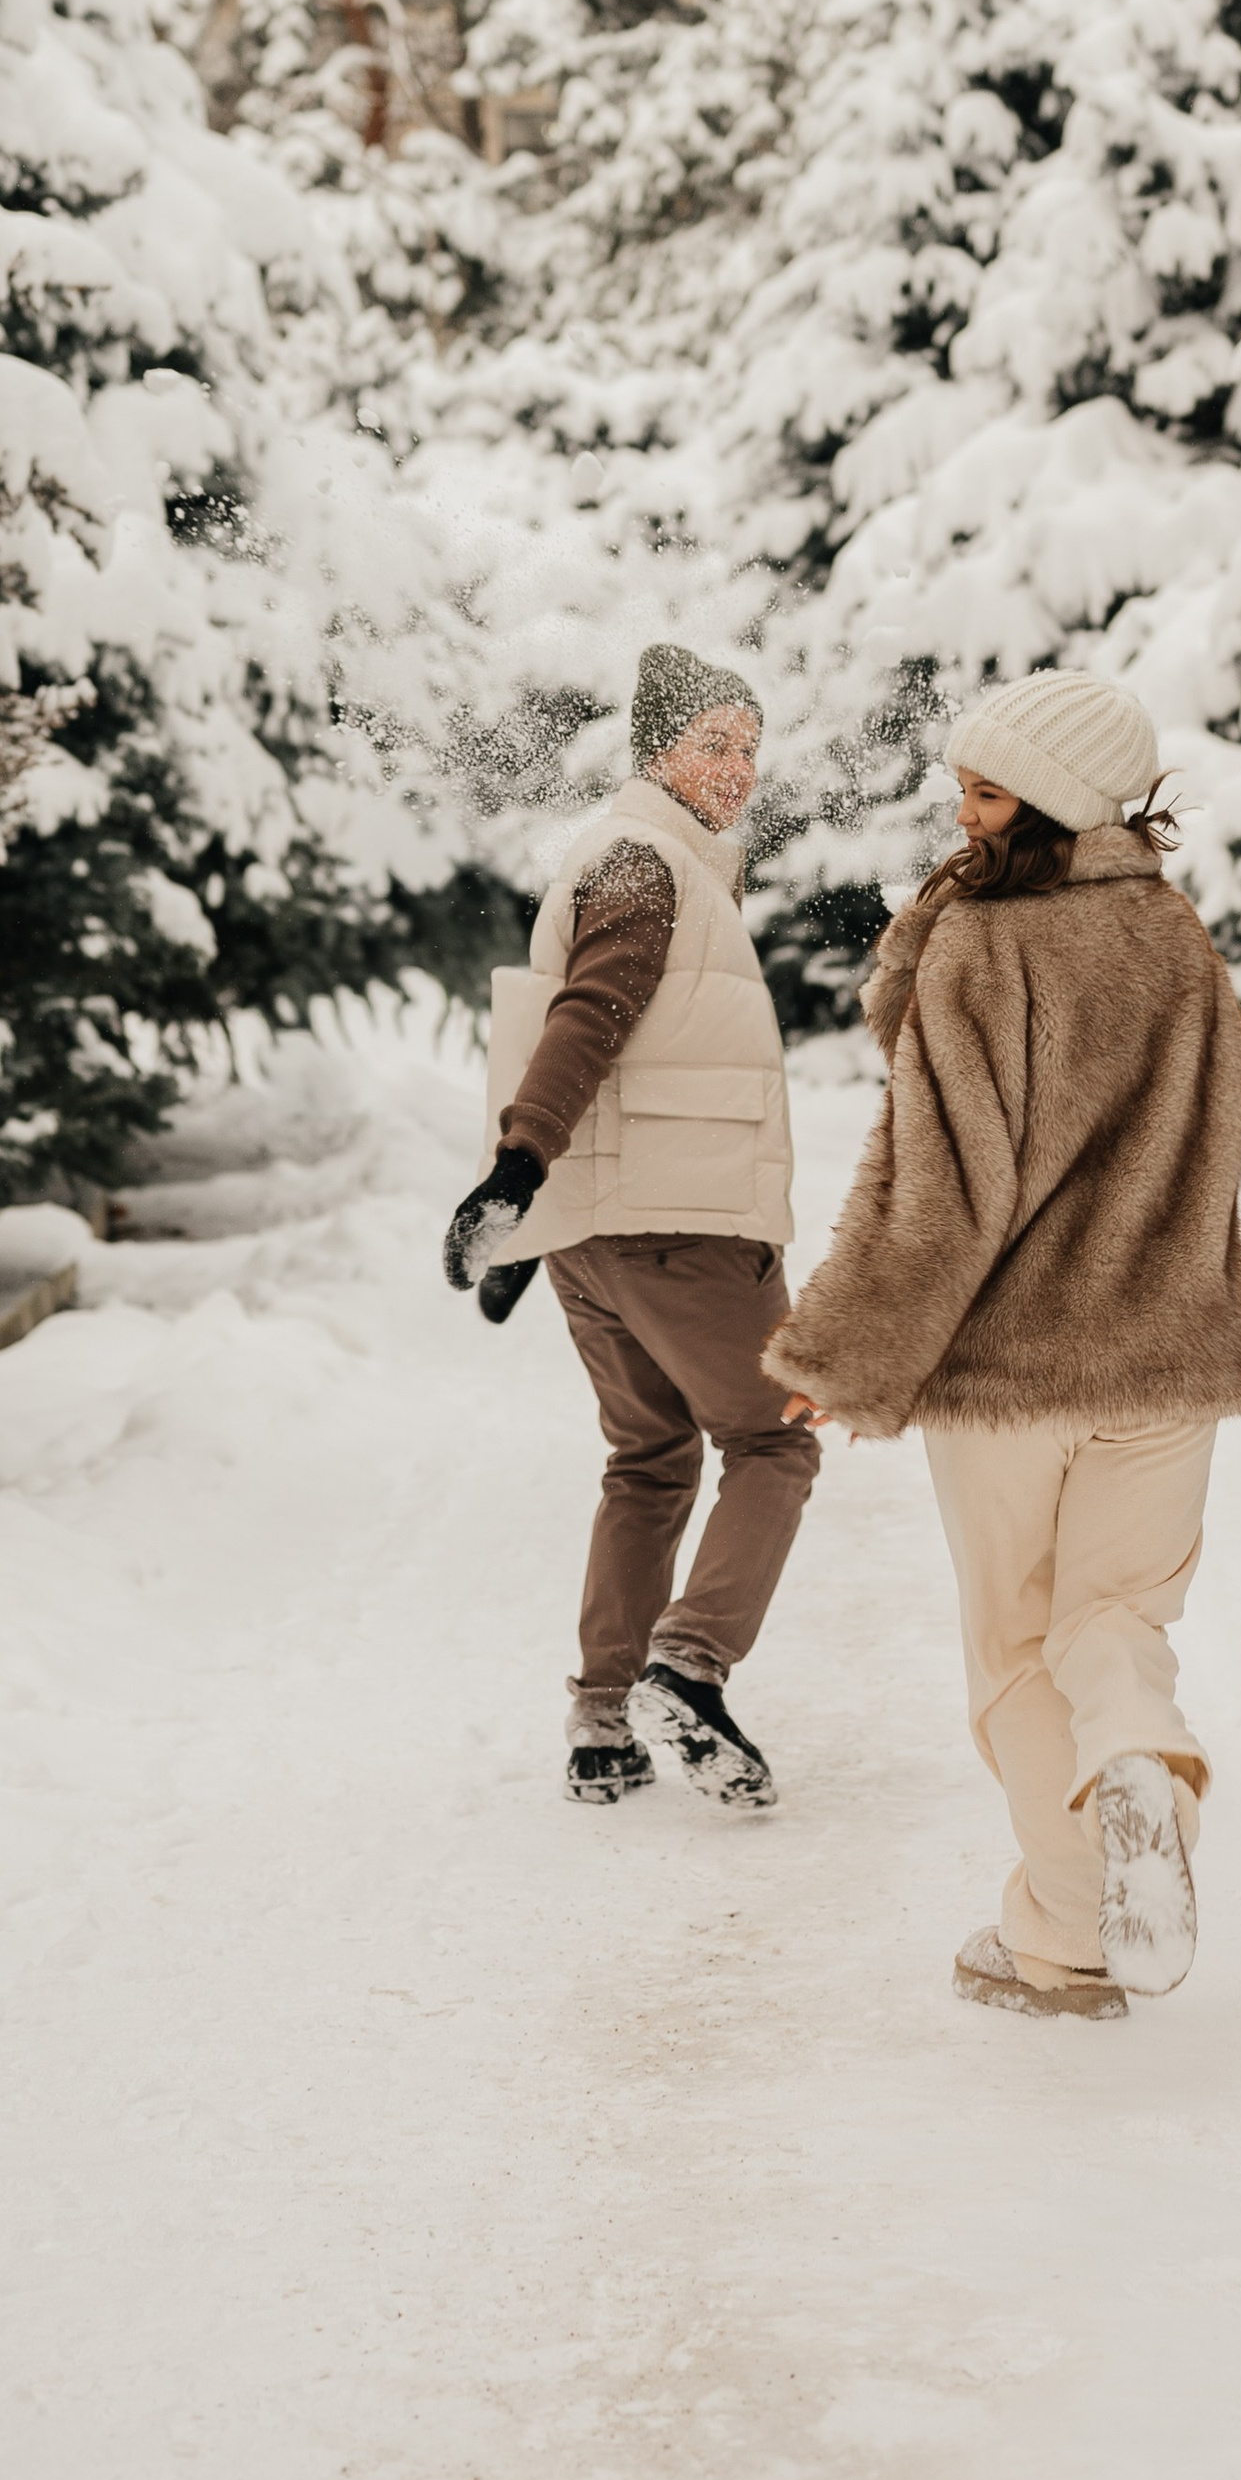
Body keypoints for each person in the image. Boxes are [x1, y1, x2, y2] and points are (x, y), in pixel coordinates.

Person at [765, 670, 1241, 2016]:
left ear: (1056, 800)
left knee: (1016, 1657)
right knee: (1118, 1624)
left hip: (1014, 1377)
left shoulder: (984, 947)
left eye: (989, 788)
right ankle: (1138, 1769)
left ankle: (1069, 1939)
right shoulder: (1180, 944)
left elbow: (941, 1182)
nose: (964, 810)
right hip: (1169, 1363)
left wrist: (846, 1352)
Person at [442, 645, 818, 1811]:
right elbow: (583, 1020)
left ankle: (604, 1716)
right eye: (713, 741)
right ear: (654, 750)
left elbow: (558, 1026)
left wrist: (531, 1219)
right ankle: (686, 1668)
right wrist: (518, 1163)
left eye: (749, 746)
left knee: (648, 1456)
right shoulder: (647, 866)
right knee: (777, 1438)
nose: (737, 768)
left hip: (599, 1240)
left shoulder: (644, 863)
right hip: (685, 1223)